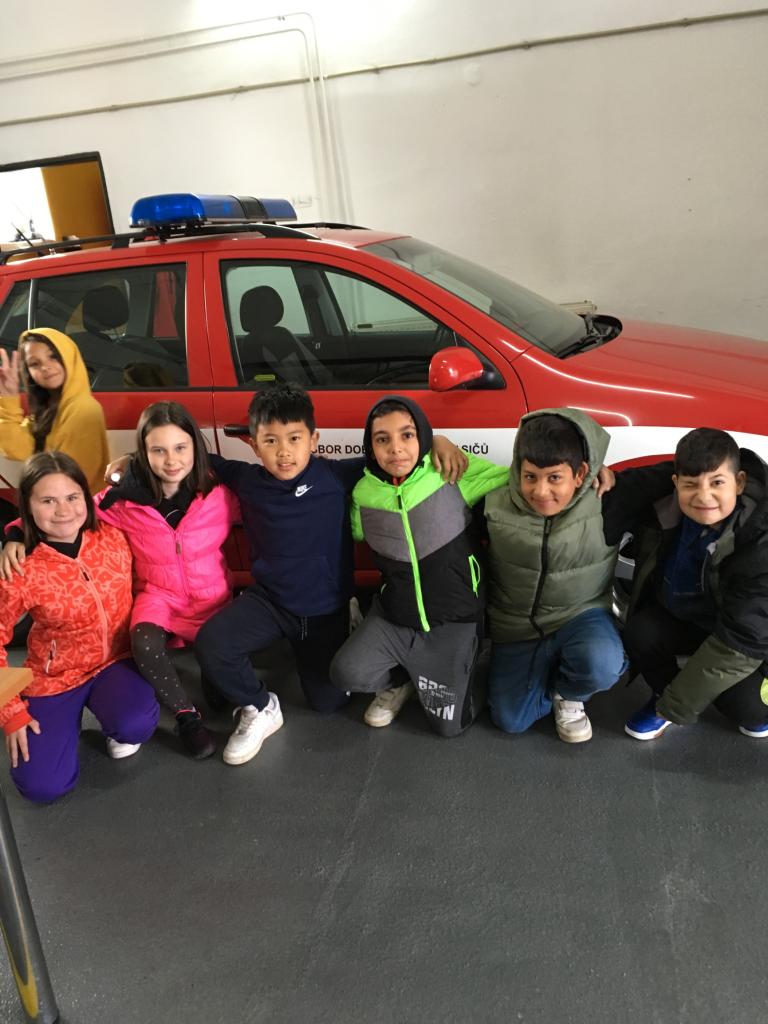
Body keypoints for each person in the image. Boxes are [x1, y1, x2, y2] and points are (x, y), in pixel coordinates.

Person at [193, 383, 466, 766]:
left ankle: (348, 623)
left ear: (314, 439)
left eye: (294, 439)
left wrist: (437, 440)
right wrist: (131, 462)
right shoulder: (246, 478)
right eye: (270, 441)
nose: (284, 452)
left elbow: (395, 455)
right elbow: (195, 455)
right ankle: (260, 706)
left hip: (324, 611)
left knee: (328, 702)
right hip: (270, 604)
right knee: (211, 643)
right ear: (254, 445)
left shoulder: (336, 476)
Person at [3, 402, 240, 760]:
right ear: (143, 453)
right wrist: (15, 533)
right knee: (143, 641)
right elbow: (70, 510)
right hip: (159, 596)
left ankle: (211, 672)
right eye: (158, 450)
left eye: (180, 448)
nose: (171, 460)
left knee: (218, 678)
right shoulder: (123, 502)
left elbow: (265, 506)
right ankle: (186, 717)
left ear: (196, 447)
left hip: (213, 596)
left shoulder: (219, 495)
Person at [484, 408, 674, 743]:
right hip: (516, 628)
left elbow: (683, 469)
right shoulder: (492, 501)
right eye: (530, 477)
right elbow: (431, 474)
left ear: (580, 472)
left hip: (580, 617)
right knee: (510, 720)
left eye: (555, 478)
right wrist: (439, 443)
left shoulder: (608, 499)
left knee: (601, 663)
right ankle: (546, 671)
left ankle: (569, 693)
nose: (541, 491)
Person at [330, 397, 509, 736]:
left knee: (449, 727)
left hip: (454, 617)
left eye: (407, 435)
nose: (396, 448)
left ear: (422, 436)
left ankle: (446, 671)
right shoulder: (363, 494)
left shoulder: (450, 471)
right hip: (395, 616)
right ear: (371, 447)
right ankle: (402, 679)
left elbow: (519, 478)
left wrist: (590, 475)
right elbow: (354, 531)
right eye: (382, 439)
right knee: (346, 673)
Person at [0, 452, 159, 803]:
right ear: (27, 506)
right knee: (42, 787)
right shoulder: (21, 566)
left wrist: (130, 459)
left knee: (136, 724)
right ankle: (58, 726)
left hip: (115, 661)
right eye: (48, 501)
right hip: (54, 678)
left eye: (72, 497)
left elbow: (149, 481)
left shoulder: (114, 535)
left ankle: (108, 714)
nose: (64, 511)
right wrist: (10, 713)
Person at [623, 427, 768, 740]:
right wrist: (602, 477)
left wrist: (671, 709)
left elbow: (744, 638)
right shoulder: (666, 505)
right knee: (641, 632)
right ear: (676, 484)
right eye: (690, 484)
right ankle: (667, 690)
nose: (703, 496)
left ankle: (677, 700)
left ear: (740, 482)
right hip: (694, 619)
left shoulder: (761, 540)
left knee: (747, 709)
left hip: (748, 643)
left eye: (717, 483)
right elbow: (633, 484)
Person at [0, 328, 109, 498]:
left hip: (75, 508)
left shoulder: (83, 408)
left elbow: (74, 480)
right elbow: (17, 448)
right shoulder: (48, 407)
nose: (45, 367)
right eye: (34, 364)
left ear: (69, 357)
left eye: (53, 357)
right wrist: (9, 398)